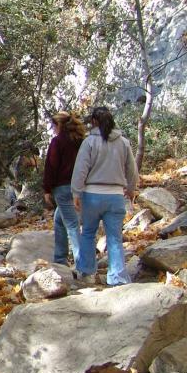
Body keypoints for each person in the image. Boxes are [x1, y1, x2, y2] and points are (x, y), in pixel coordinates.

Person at [71, 106, 138, 286]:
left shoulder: (89, 142)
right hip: (115, 195)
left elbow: (80, 170)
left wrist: (76, 192)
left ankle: (87, 273)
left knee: (88, 234)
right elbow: (131, 170)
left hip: (91, 194)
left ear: (93, 122)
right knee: (114, 237)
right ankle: (117, 277)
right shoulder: (123, 142)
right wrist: (131, 189)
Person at [43, 111, 88, 266]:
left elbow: (51, 166)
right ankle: (60, 259)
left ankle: (83, 265)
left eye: (53, 126)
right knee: (59, 221)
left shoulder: (58, 142)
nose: (52, 129)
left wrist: (47, 189)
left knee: (72, 225)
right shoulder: (81, 141)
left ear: (59, 125)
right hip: (80, 186)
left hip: (62, 188)